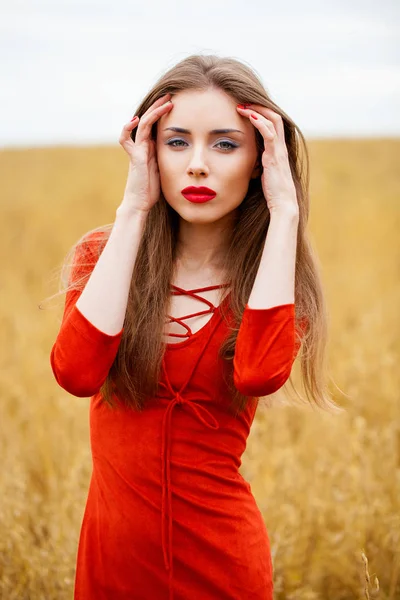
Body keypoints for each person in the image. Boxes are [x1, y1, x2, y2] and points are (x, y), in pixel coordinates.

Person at [49, 54, 341, 600]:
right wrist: (134, 209)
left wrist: (286, 213)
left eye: (226, 144)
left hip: (223, 567)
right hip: (112, 568)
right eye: (177, 142)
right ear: (149, 150)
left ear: (260, 160)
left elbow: (258, 374)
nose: (198, 165)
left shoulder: (270, 279)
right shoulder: (104, 256)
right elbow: (76, 372)